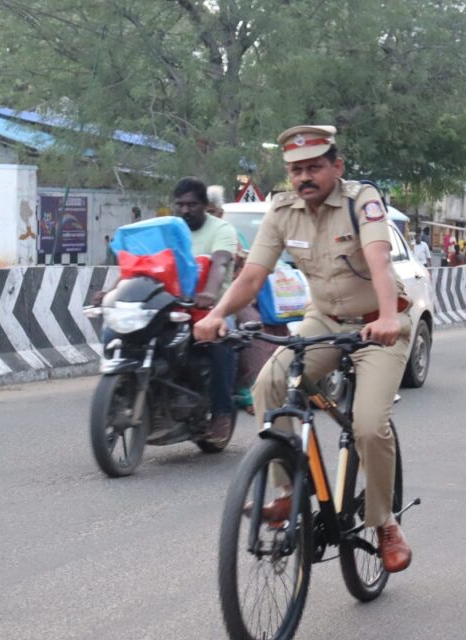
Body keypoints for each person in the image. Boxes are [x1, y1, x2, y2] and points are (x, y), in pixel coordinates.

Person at [193, 125, 414, 573]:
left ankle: (384, 522)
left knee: (370, 426)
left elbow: (379, 260)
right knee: (270, 383)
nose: (304, 177)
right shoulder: (281, 209)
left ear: (337, 166)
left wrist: (389, 317)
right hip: (324, 320)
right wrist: (217, 315)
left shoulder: (360, 201)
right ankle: (288, 490)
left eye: (314, 167)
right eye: (296, 170)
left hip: (377, 325)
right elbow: (253, 275)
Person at [174, 177, 239, 444]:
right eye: (180, 205)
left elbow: (220, 263)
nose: (186, 211)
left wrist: (210, 293)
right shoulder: (172, 229)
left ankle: (222, 413)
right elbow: (145, 259)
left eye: (191, 205)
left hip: (214, 307)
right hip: (173, 306)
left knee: (218, 344)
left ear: (204, 205)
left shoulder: (221, 229)